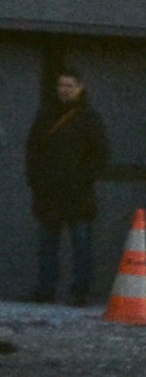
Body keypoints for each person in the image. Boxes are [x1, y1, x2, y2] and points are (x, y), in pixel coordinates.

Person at [25, 70, 106, 307]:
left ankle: (78, 292)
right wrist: (36, 181)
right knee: (49, 245)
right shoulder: (46, 115)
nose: (64, 90)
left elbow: (101, 154)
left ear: (80, 87)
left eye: (69, 85)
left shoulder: (89, 118)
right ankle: (46, 290)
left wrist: (83, 179)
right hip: (50, 193)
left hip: (77, 194)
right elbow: (33, 150)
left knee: (80, 246)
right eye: (61, 85)